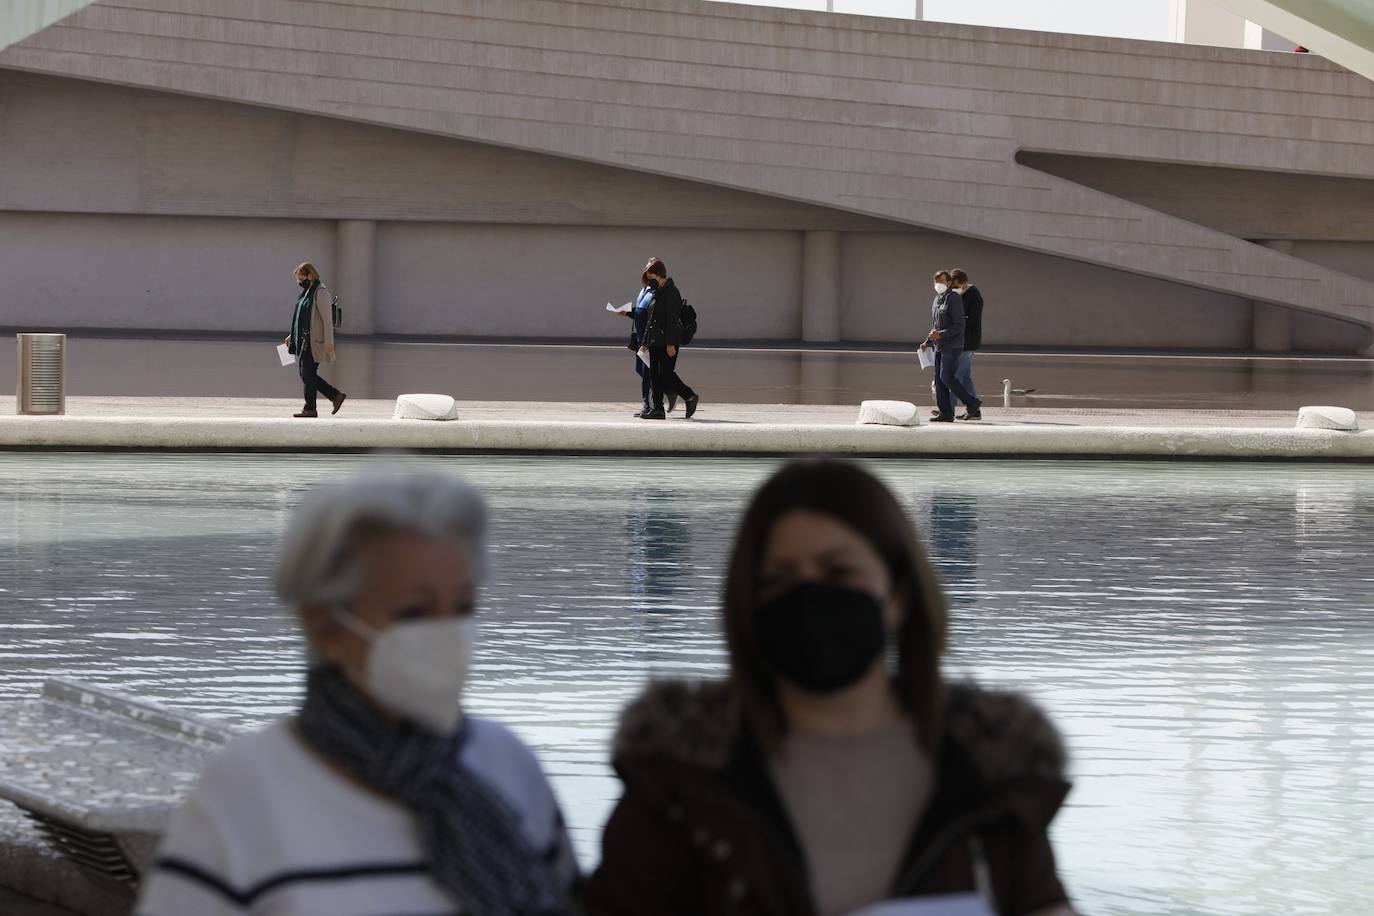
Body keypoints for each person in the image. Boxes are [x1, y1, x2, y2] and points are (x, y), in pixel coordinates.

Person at [586, 459, 1074, 916]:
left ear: (899, 595)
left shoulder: (988, 767)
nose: (809, 596)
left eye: (839, 573)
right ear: (748, 602)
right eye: (778, 580)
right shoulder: (679, 777)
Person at [135, 470, 580, 916]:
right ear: (324, 625)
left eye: (463, 607)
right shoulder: (241, 794)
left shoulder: (510, 764)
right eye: (414, 611)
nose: (449, 633)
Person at [639, 259, 699, 421]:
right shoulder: (657, 291)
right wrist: (645, 341)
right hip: (654, 341)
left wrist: (671, 343)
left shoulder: (672, 292)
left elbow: (672, 320)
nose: (649, 277)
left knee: (666, 374)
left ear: (656, 273)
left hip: (667, 342)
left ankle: (690, 397)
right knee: (654, 376)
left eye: (650, 273)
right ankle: (658, 409)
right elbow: (651, 319)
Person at [283, 262, 346, 419]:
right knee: (306, 375)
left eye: (301, 278)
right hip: (304, 341)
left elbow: (327, 322)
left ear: (310, 275)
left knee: (307, 375)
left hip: (314, 342)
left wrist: (329, 345)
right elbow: (300, 317)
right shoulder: (306, 292)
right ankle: (335, 396)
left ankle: (310, 408)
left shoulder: (321, 293)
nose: (299, 282)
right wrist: (292, 335)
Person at [921, 270, 981, 422]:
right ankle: (946, 413)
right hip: (939, 345)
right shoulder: (936, 299)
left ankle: (972, 402)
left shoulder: (954, 298)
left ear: (949, 282)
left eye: (941, 281)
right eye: (936, 281)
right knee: (939, 378)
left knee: (946, 377)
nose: (938, 284)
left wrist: (940, 334)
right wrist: (928, 341)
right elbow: (935, 325)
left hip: (953, 345)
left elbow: (959, 326)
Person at [626, 260, 676, 417]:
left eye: (652, 272)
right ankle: (658, 398)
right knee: (641, 370)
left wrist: (666, 342)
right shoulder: (645, 290)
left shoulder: (659, 291)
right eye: (647, 273)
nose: (649, 276)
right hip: (642, 338)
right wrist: (627, 312)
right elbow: (641, 313)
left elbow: (659, 317)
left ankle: (651, 404)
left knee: (649, 373)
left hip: (651, 340)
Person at [949, 268, 984, 420]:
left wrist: (957, 320)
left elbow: (974, 319)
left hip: (968, 341)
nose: (953, 289)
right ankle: (974, 410)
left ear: (963, 283)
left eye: (955, 285)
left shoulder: (974, 295)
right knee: (965, 377)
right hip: (959, 340)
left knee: (954, 376)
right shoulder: (958, 295)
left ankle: (948, 408)